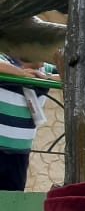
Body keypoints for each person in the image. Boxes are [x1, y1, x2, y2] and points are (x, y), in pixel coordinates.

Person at [0, 52, 46, 191]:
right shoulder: (5, 59)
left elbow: (70, 72)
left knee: (13, 199)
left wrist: (48, 77)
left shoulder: (43, 69)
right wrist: (21, 74)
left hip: (20, 153)